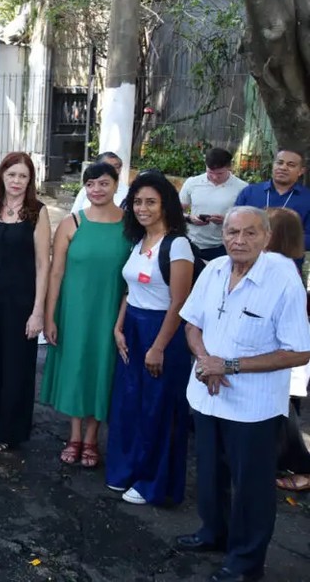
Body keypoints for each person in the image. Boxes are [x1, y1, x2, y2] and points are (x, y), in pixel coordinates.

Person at [177, 206, 310, 582]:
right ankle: (213, 533)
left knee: (252, 488)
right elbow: (191, 323)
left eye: (250, 233)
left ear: (266, 237)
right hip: (207, 393)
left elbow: (300, 349)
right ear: (223, 235)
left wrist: (230, 366)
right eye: (233, 232)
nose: (239, 240)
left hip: (254, 408)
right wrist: (205, 360)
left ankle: (246, 563)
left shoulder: (283, 279)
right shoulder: (216, 269)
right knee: (210, 474)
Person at [106, 172, 194, 506]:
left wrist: (158, 346)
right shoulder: (139, 241)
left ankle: (153, 483)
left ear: (166, 205)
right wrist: (118, 326)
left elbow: (179, 302)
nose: (143, 208)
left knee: (159, 409)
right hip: (132, 330)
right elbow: (132, 289)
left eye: (151, 202)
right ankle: (128, 469)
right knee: (130, 404)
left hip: (162, 334)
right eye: (138, 202)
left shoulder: (178, 245)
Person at [41, 162, 129, 468]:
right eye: (90, 184)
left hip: (111, 310)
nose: (96, 190)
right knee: (77, 368)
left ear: (116, 184)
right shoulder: (72, 223)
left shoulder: (131, 225)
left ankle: (93, 438)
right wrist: (49, 315)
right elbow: (55, 273)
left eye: (103, 183)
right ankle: (75, 435)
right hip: (74, 310)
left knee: (102, 369)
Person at [0, 152, 51, 451]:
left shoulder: (37, 212)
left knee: (16, 366)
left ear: (30, 181)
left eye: (23, 176)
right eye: (12, 174)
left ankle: (9, 431)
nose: (16, 181)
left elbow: (44, 264)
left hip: (21, 302)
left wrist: (38, 311)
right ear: (2, 176)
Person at [264, 208, 310, 493]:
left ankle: (302, 468)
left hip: (283, 357)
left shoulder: (274, 266)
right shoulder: (287, 263)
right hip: (285, 358)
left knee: (284, 420)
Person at [235, 148, 310, 269]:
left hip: (287, 267)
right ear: (273, 165)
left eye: (291, 165)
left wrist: (279, 240)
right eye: (279, 163)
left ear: (301, 171)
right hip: (247, 263)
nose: (283, 167)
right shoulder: (250, 192)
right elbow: (234, 225)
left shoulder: (307, 199)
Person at [179, 147, 247, 261]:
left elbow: (247, 220)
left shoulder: (242, 188)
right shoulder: (192, 182)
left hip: (222, 246)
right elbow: (176, 211)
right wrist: (189, 218)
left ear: (229, 167)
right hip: (191, 242)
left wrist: (226, 221)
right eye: (210, 172)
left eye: (220, 173)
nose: (215, 177)